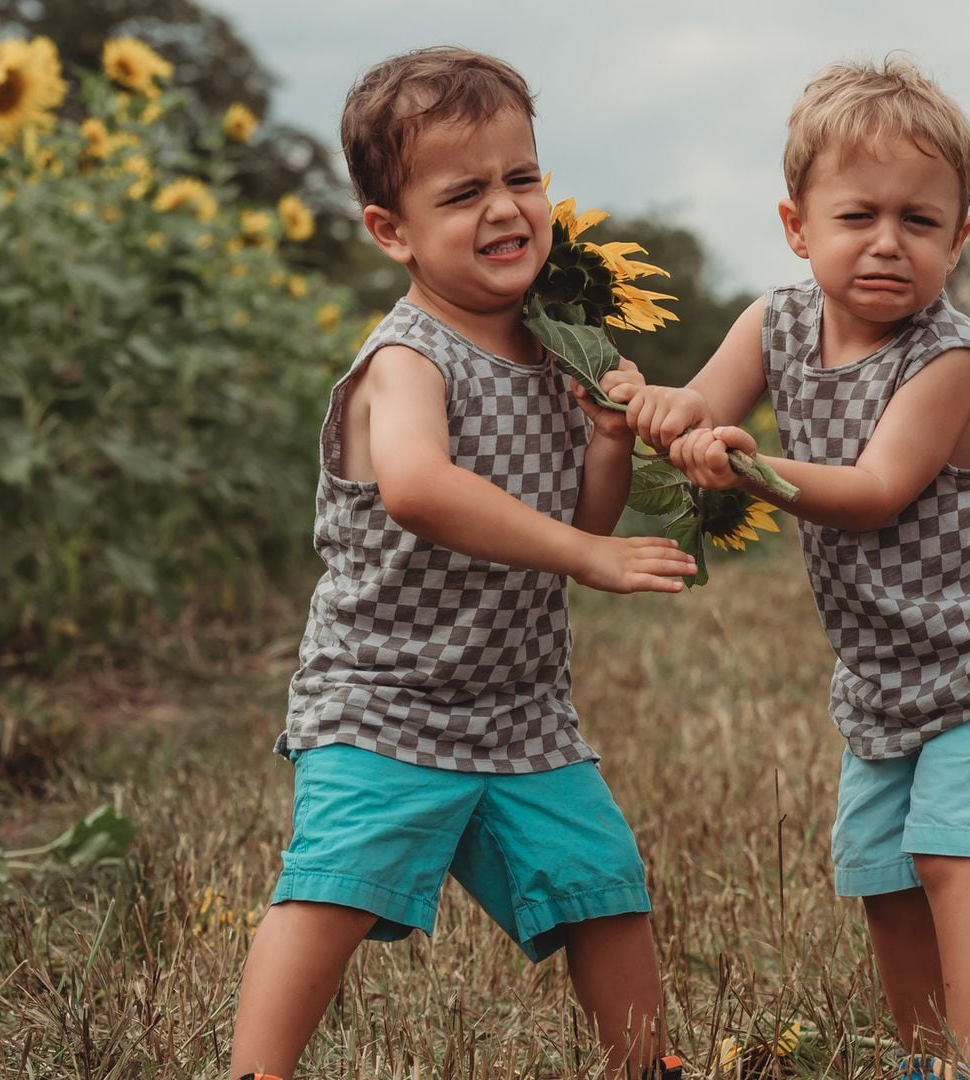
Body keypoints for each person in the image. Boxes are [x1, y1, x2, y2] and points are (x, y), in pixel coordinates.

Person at [622, 56, 970, 1080]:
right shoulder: (775, 322)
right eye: (858, 215)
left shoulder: (951, 361)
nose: (888, 242)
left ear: (958, 240)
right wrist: (662, 411)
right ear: (798, 226)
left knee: (952, 855)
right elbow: (704, 403)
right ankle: (921, 1060)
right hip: (887, 669)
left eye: (920, 222)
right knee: (884, 874)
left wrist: (746, 468)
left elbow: (878, 488)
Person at [228, 46, 694, 1080]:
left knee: (602, 885)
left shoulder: (552, 348)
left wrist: (610, 442)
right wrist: (591, 553)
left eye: (522, 178)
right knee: (334, 889)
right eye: (465, 191)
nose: (506, 209)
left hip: (520, 706)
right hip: (383, 700)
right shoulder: (406, 361)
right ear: (391, 230)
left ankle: (648, 1066)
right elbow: (420, 490)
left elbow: (580, 510)